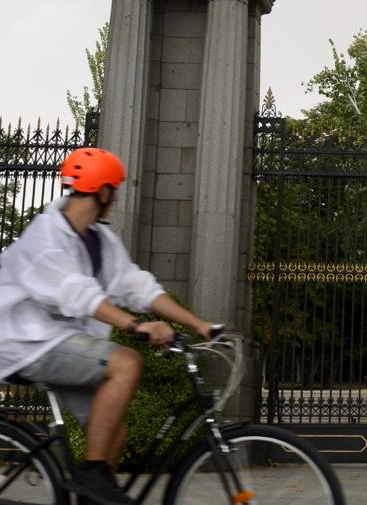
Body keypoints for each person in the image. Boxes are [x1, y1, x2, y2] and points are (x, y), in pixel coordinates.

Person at [0, 148, 217, 505]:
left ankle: (92, 494)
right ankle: (93, 476)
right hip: (25, 341)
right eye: (114, 189)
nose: (116, 197)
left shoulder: (100, 239)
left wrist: (199, 324)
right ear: (101, 191)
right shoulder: (46, 238)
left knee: (115, 433)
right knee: (126, 362)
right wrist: (136, 327)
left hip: (59, 340)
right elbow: (79, 295)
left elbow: (137, 286)